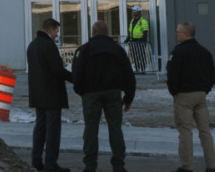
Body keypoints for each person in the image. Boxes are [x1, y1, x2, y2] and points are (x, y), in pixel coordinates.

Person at [72, 19, 135, 172]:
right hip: (113, 93)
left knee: (91, 129)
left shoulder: (84, 50)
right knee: (115, 128)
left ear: (93, 32)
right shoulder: (117, 50)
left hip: (91, 94)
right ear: (107, 33)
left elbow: (76, 73)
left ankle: (90, 166)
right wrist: (128, 98)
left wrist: (81, 91)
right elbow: (129, 74)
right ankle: (119, 166)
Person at [164, 22, 215, 172]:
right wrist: (205, 89)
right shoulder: (204, 52)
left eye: (178, 32)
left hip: (184, 96)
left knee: (185, 131)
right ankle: (211, 166)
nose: (176, 34)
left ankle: (186, 166)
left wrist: (174, 91)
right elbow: (212, 75)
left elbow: (172, 74)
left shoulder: (178, 52)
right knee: (205, 131)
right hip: (201, 96)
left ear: (186, 34)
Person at [26, 18, 72, 172]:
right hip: (51, 94)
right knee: (53, 129)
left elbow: (41, 67)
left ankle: (36, 160)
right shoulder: (48, 45)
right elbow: (56, 70)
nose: (56, 35)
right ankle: (51, 163)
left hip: (37, 93)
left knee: (40, 126)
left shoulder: (32, 45)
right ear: (50, 29)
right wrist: (75, 78)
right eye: (56, 31)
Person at [125, 9, 152, 73]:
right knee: (135, 56)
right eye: (133, 12)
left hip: (140, 41)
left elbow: (145, 32)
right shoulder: (132, 21)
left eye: (136, 12)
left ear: (139, 12)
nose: (134, 13)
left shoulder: (143, 21)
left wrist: (143, 40)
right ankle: (137, 69)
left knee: (141, 56)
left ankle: (142, 70)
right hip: (133, 42)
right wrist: (127, 39)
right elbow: (130, 31)